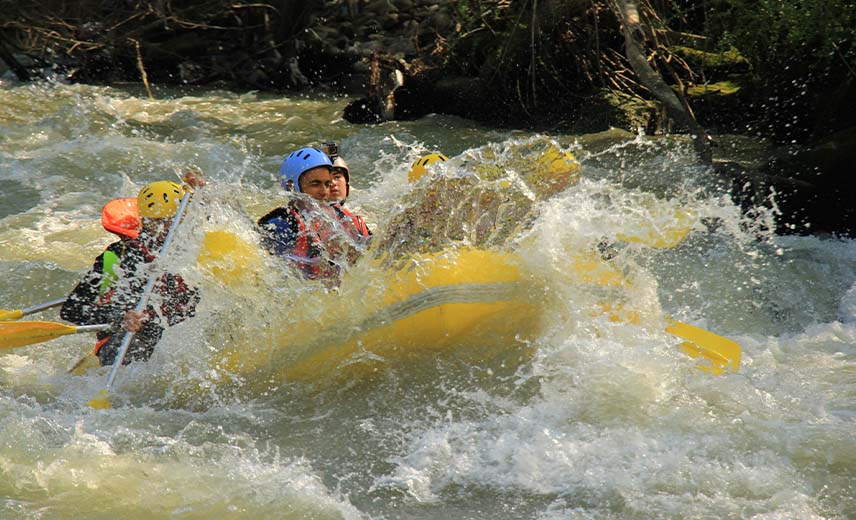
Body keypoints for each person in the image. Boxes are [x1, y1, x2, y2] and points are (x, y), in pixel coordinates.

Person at [61, 178, 201, 366]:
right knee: (130, 349)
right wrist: (120, 318)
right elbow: (72, 310)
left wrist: (204, 191)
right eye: (160, 222)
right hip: (133, 339)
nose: (168, 229)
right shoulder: (120, 256)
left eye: (174, 221)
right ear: (145, 221)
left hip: (182, 335)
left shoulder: (199, 249)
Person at [258, 146, 356, 280]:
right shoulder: (282, 224)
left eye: (327, 184)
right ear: (291, 187)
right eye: (315, 184)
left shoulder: (340, 218)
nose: (324, 192)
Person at [321, 142, 371, 239]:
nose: (333, 183)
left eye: (337, 177)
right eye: (327, 179)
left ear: (347, 184)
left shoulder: (356, 218)